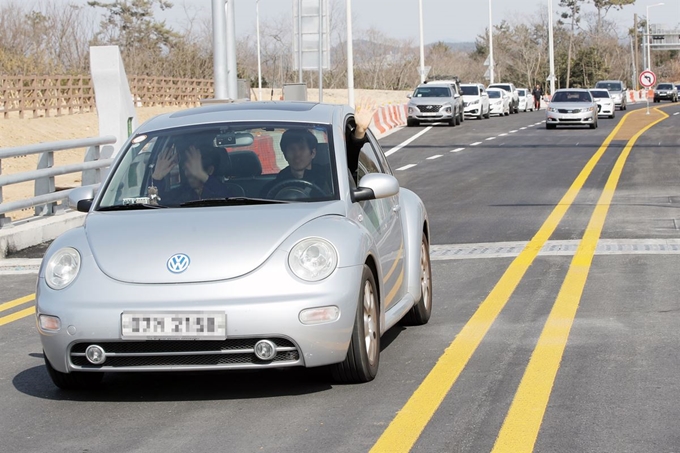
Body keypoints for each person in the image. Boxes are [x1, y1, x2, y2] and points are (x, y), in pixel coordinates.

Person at [262, 104, 373, 198]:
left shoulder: (330, 176)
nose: (297, 154)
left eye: (302, 148)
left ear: (313, 153)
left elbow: (350, 160)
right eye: (291, 149)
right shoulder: (275, 185)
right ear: (284, 154)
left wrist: (359, 131)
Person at [150, 141, 238, 205]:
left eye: (193, 167)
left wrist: (201, 175)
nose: (188, 173)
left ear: (210, 170)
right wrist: (157, 177)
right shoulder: (182, 193)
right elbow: (156, 203)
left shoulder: (225, 190)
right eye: (186, 168)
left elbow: (231, 202)